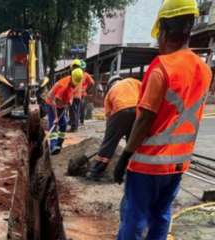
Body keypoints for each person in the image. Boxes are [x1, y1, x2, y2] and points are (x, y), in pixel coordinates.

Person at [113, 1, 212, 239]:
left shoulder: (161, 69)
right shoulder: (204, 70)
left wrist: (125, 155)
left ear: (165, 33)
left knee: (134, 216)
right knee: (161, 215)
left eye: (158, 37)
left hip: (148, 163)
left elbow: (145, 118)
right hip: (178, 164)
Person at [87, 76, 141, 181]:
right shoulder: (133, 81)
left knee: (109, 144)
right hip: (139, 110)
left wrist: (111, 135)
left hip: (120, 110)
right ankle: (130, 172)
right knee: (133, 142)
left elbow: (109, 119)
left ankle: (95, 172)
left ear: (110, 85)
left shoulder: (110, 92)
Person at [45, 68, 84, 155]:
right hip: (51, 103)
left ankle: (59, 144)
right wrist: (55, 117)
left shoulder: (74, 82)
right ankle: (53, 146)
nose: (76, 85)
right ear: (72, 78)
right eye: (75, 83)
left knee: (64, 123)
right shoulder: (64, 86)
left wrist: (70, 100)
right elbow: (54, 102)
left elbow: (71, 92)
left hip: (61, 104)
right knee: (54, 124)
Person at [68, 59, 83, 132]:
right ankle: (75, 125)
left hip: (73, 95)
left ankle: (74, 126)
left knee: (73, 111)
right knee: (76, 111)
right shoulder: (80, 73)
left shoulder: (74, 73)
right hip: (79, 95)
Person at [80, 60, 95, 125]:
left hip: (83, 94)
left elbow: (92, 83)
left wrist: (87, 88)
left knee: (82, 108)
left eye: (83, 68)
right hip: (76, 94)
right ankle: (75, 121)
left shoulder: (86, 75)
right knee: (76, 108)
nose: (82, 69)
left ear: (85, 68)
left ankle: (81, 121)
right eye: (81, 68)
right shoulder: (77, 74)